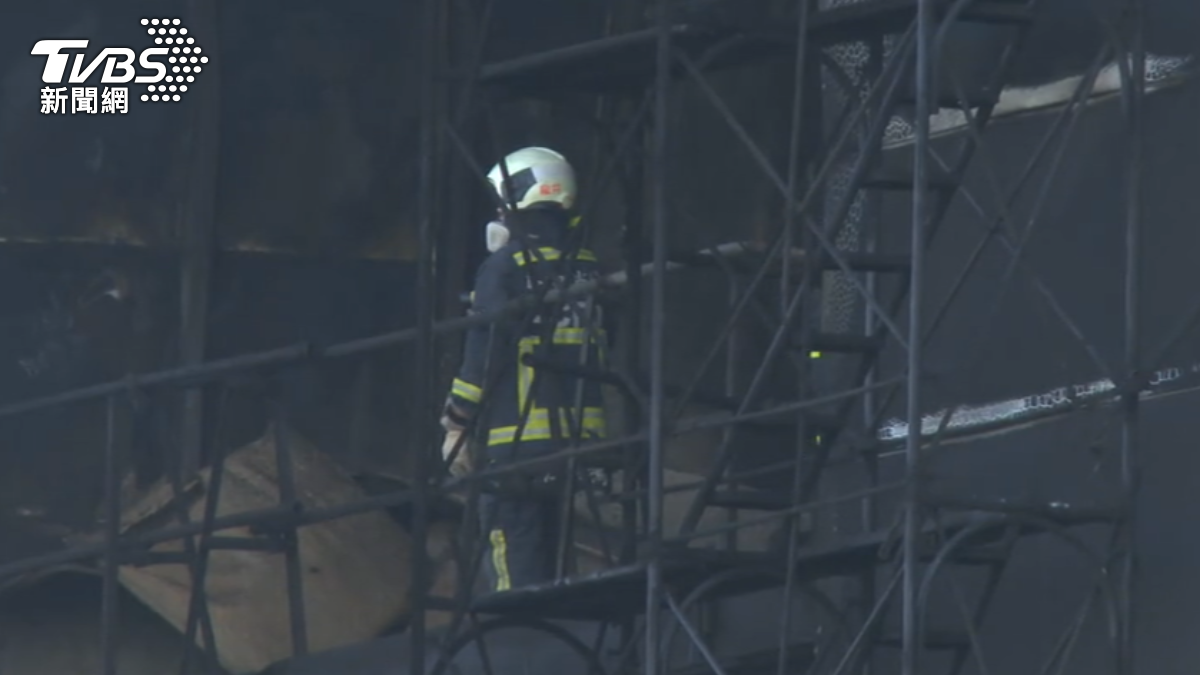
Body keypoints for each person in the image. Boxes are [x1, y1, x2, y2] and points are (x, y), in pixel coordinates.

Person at [440, 146, 610, 593]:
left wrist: (457, 420)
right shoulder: (586, 267)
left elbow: (486, 348)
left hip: (514, 444)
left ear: (521, 197)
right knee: (556, 561)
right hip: (579, 441)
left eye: (502, 203)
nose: (498, 214)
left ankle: (521, 632)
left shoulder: (504, 267)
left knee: (514, 566)